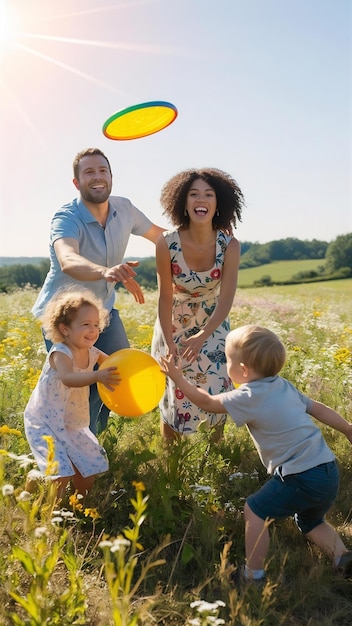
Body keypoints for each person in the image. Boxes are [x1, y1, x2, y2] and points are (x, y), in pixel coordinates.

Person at [160, 324, 352, 582]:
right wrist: (348, 429)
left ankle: (254, 576)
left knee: (255, 509)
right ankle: (341, 556)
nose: (226, 363)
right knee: (311, 521)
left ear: (243, 370)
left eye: (228, 359)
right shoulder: (282, 385)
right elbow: (316, 408)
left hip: (301, 476)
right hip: (327, 470)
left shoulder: (248, 395)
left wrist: (178, 378)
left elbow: (207, 402)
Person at [32, 147, 164, 434]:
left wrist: (208, 237)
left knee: (115, 375)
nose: (97, 177)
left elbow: (161, 237)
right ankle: (63, 451)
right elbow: (68, 259)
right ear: (77, 182)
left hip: (103, 311)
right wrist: (106, 271)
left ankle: (91, 448)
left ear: (111, 177)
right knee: (75, 389)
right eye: (89, 172)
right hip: (64, 318)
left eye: (102, 170)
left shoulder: (124, 208)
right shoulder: (66, 217)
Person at [151, 168, 244, 441]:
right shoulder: (166, 243)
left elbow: (226, 299)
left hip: (213, 320)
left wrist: (203, 336)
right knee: (174, 388)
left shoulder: (230, 245)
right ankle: (173, 460)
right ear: (183, 201)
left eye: (208, 194)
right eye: (193, 194)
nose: (200, 199)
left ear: (218, 203)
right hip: (173, 320)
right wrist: (169, 343)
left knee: (218, 383)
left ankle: (216, 450)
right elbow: (165, 297)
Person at [25, 289, 121, 499]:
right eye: (86, 324)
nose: (93, 330)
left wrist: (143, 370)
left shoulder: (93, 352)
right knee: (60, 474)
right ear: (65, 328)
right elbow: (68, 378)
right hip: (45, 420)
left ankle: (80, 505)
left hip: (73, 422)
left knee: (90, 465)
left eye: (96, 324)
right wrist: (97, 377)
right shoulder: (61, 353)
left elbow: (117, 364)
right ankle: (53, 512)